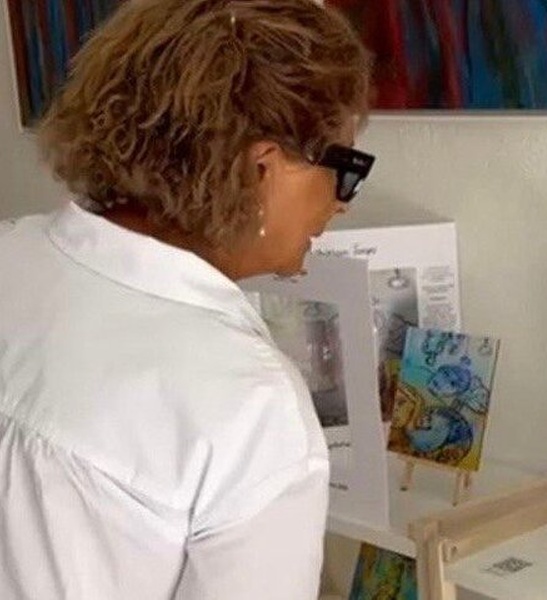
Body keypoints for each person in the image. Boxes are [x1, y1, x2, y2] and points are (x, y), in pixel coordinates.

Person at [0, 0, 375, 598]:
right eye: (345, 168)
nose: (342, 202)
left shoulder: (11, 252)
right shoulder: (249, 406)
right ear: (260, 169)